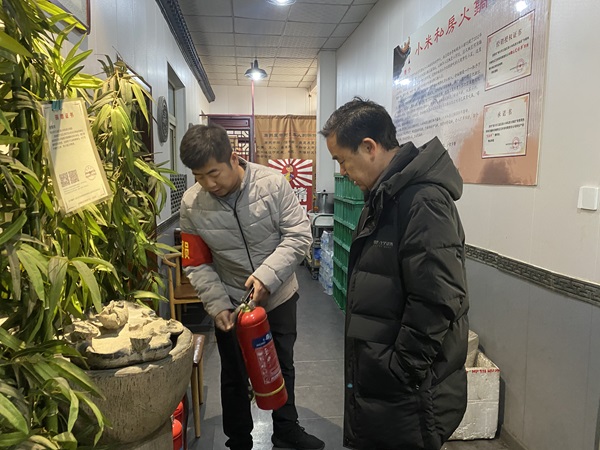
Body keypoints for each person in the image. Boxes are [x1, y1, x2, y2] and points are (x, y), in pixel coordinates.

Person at [320, 98, 469, 450]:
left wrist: (400, 370)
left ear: (369, 147)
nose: (342, 171)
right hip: (385, 384)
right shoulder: (385, 196)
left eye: (342, 160)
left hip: (409, 392)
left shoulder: (422, 201)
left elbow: (436, 300)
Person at [178, 124, 325, 450]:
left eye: (214, 173)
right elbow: (196, 263)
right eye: (199, 176)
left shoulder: (272, 185)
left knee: (281, 364)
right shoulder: (191, 203)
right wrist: (217, 304)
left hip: (279, 295)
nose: (209, 184)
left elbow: (298, 235)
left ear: (233, 158)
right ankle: (238, 440)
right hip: (231, 299)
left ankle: (286, 429)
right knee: (233, 374)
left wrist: (267, 276)